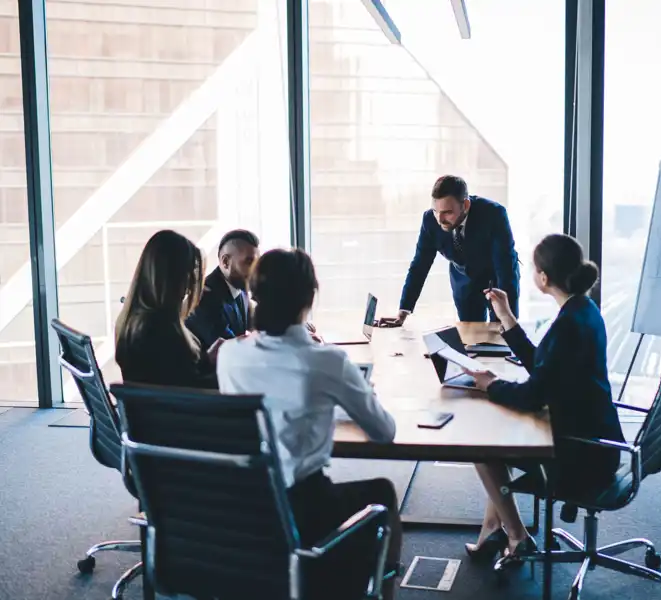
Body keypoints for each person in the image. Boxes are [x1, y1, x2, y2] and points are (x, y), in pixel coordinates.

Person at [216, 248, 401, 600]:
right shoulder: (326, 361)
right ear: (308, 298)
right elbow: (384, 431)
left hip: (243, 507)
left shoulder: (230, 355)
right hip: (305, 509)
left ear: (255, 294)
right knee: (383, 493)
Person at [462, 233, 625, 565]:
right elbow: (546, 366)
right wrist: (506, 317)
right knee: (497, 438)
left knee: (482, 449)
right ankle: (495, 528)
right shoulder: (584, 310)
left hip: (581, 453)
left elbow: (535, 395)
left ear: (544, 278)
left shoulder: (568, 325)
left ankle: (517, 536)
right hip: (599, 440)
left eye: (534, 269)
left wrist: (490, 385)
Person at [378, 175, 520, 326]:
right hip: (463, 282)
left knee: (502, 336)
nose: (440, 219)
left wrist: (507, 317)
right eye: (435, 211)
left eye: (447, 212)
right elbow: (419, 266)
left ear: (465, 205)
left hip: (497, 281)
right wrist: (403, 310)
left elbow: (505, 266)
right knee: (470, 339)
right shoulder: (430, 221)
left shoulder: (494, 214)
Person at [115, 230, 220, 389]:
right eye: (189, 274)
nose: (191, 287)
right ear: (173, 277)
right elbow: (190, 390)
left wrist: (206, 360)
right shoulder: (159, 330)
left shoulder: (135, 320)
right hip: (178, 412)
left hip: (155, 411)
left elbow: (174, 375)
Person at [185, 229, 260, 351]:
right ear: (225, 262)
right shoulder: (204, 299)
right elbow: (230, 348)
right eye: (249, 262)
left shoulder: (241, 287)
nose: (256, 270)